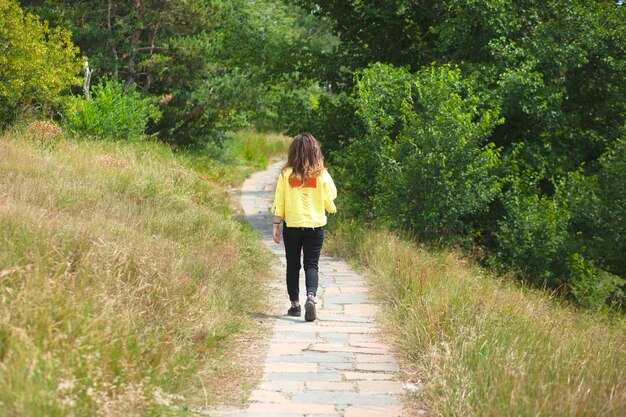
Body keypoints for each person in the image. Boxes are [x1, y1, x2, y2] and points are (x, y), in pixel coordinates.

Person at [271, 132, 337, 321]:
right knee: (311, 264)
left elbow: (279, 201)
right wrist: (328, 206)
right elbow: (330, 195)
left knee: (292, 265)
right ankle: (311, 297)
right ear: (314, 151)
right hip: (315, 226)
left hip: (292, 226)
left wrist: (276, 224)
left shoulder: (286, 174)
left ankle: (295, 305)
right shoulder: (321, 173)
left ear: (293, 152)